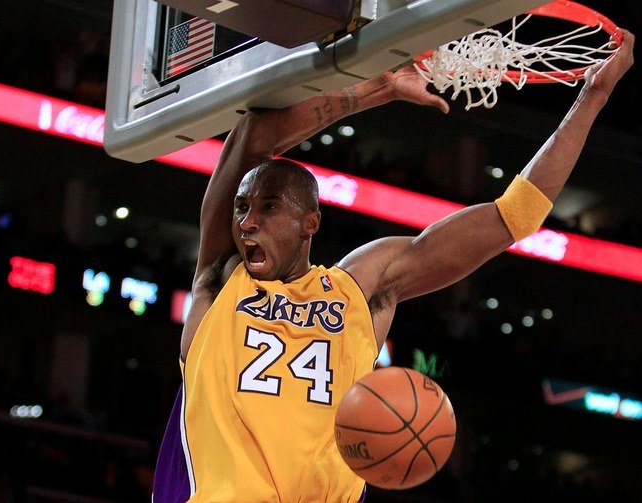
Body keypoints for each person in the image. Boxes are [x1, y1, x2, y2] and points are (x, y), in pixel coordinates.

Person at [152, 30, 635, 503]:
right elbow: (250, 138)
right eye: (241, 208)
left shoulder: (358, 289)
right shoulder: (220, 278)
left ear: (310, 222)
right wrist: (376, 88)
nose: (247, 222)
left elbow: (514, 216)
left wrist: (593, 96)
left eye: (270, 206)